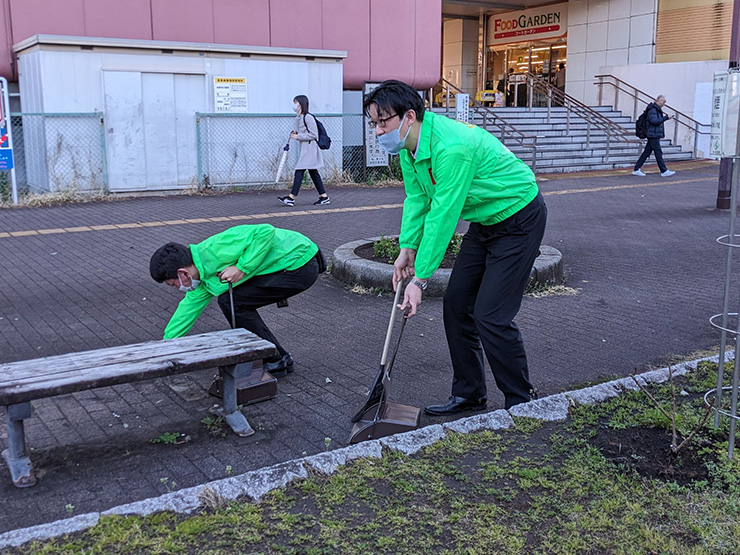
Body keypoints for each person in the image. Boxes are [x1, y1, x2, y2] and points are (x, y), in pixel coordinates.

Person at [363, 79, 547, 415]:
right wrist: (407, 247)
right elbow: (417, 199)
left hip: (519, 217)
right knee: (457, 304)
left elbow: (443, 216)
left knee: (491, 315)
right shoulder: (410, 149)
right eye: (373, 123)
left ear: (408, 117)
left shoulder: (451, 147)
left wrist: (420, 280)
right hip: (486, 222)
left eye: (383, 122)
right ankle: (470, 393)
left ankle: (522, 401)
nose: (378, 131)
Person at [149, 224, 323, 377]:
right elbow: (186, 311)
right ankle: (276, 358)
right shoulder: (201, 279)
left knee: (233, 302)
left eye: (173, 284)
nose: (177, 288)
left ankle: (273, 358)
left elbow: (265, 231)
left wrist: (242, 268)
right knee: (232, 301)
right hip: (286, 265)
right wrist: (166, 345)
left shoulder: (216, 248)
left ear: (183, 273)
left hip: (299, 262)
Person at [278, 95, 330, 206]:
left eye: (295, 102)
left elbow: (313, 134)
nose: (294, 105)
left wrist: (298, 136)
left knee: (299, 171)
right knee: (313, 172)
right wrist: (298, 134)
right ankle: (324, 196)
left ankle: (291, 197)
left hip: (310, 149)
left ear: (301, 104)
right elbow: (306, 133)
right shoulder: (301, 117)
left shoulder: (308, 117)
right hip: (307, 149)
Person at [633, 95, 676, 177]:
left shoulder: (655, 109)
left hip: (654, 134)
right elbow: (654, 121)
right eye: (663, 102)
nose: (664, 104)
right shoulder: (653, 110)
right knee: (658, 152)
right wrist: (666, 117)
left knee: (646, 152)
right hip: (653, 134)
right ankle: (664, 170)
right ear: (658, 100)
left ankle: (636, 168)